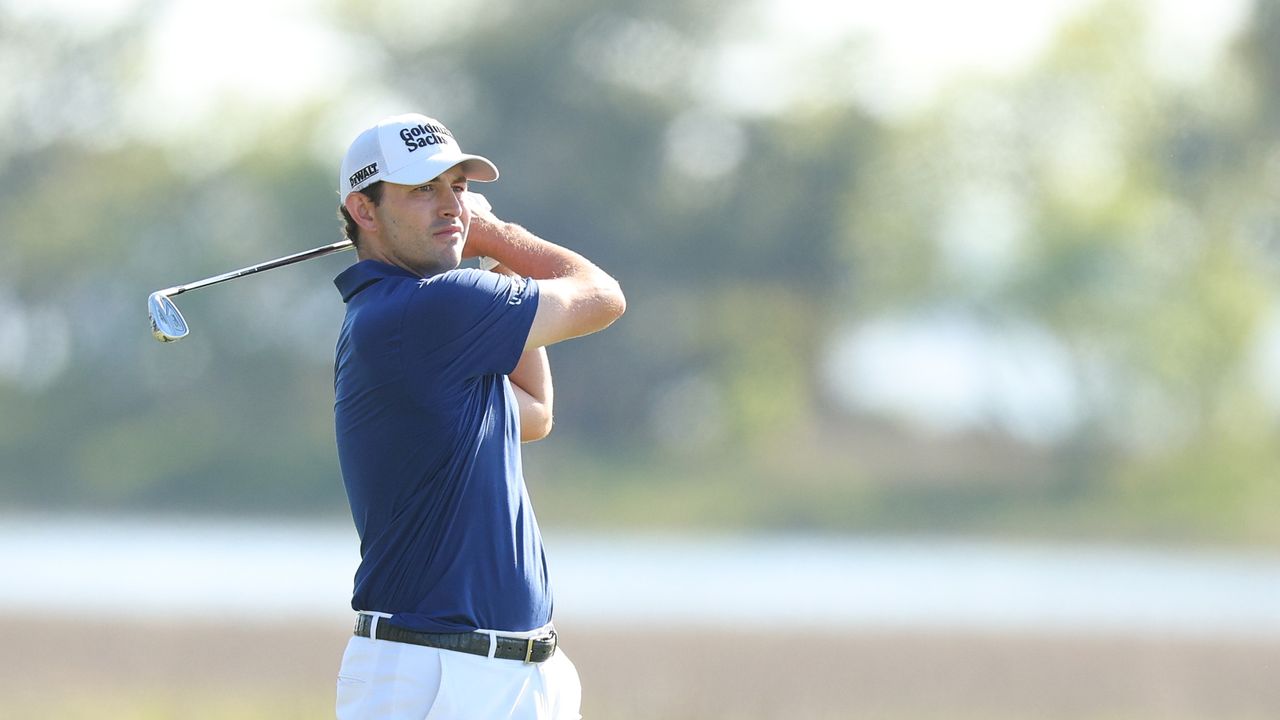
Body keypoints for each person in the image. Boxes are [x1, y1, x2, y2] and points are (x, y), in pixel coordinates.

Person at [329, 113, 625, 719]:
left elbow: (534, 413)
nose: (452, 207)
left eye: (458, 189)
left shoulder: (409, 317)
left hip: (489, 669)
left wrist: (498, 267)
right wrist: (497, 236)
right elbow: (601, 295)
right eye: (423, 191)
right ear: (364, 210)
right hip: (443, 671)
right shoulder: (429, 309)